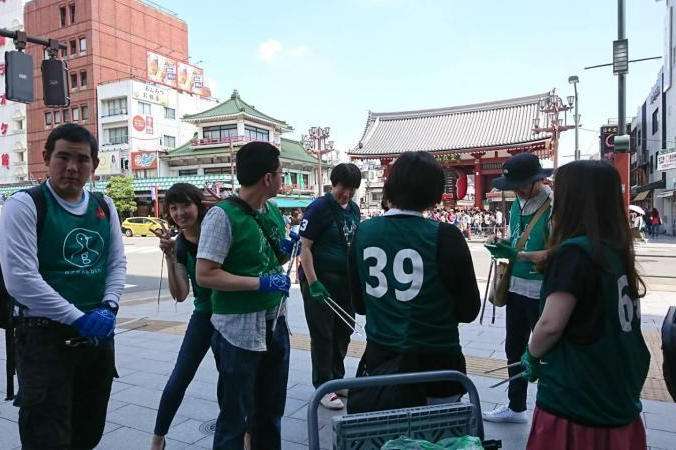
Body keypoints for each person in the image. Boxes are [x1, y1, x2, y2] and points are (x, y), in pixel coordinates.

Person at [0, 123, 126, 449]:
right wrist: (78, 318)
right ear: (46, 157)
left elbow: (115, 264)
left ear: (94, 165)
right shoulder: (25, 205)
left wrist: (109, 306)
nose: (72, 167)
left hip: (97, 338)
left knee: (88, 430)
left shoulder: (104, 206)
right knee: (46, 435)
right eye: (63, 157)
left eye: (82, 159)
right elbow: (21, 281)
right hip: (44, 339)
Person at [524, 160, 650, 450]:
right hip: (616, 391)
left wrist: (531, 354)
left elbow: (551, 324)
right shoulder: (614, 249)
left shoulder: (574, 254)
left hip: (577, 398)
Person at [348, 151, 480, 409]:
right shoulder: (446, 235)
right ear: (434, 192)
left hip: (381, 365)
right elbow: (469, 310)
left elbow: (360, 305)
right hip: (438, 367)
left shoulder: (364, 232)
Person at [196, 141, 297, 450]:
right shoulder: (221, 216)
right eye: (281, 173)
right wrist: (260, 284)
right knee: (234, 417)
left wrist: (284, 252)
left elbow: (269, 260)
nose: (284, 179)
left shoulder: (273, 211)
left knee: (270, 413)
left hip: (275, 324)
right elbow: (205, 274)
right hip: (237, 332)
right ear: (268, 178)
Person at [483, 152, 552, 424]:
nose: (518, 191)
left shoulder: (554, 205)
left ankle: (549, 408)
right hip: (515, 288)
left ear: (538, 180)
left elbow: (559, 251)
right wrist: (499, 243)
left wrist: (519, 256)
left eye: (521, 185)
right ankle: (516, 405)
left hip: (543, 292)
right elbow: (515, 239)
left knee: (545, 353)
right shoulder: (516, 204)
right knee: (514, 348)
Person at [150, 183, 212, 450]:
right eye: (173, 208)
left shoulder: (216, 233)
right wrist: (170, 256)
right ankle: (157, 440)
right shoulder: (181, 246)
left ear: (198, 205)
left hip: (231, 315)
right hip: (204, 316)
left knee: (234, 382)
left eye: (185, 205)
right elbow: (180, 294)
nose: (179, 213)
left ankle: (246, 437)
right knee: (178, 378)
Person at [298, 163, 362, 410]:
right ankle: (323, 386)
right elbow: (305, 248)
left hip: (344, 285)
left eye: (352, 189)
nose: (346, 194)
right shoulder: (318, 208)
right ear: (333, 184)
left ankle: (336, 379)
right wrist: (313, 283)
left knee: (343, 332)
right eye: (343, 188)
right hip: (319, 283)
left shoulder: (354, 210)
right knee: (323, 335)